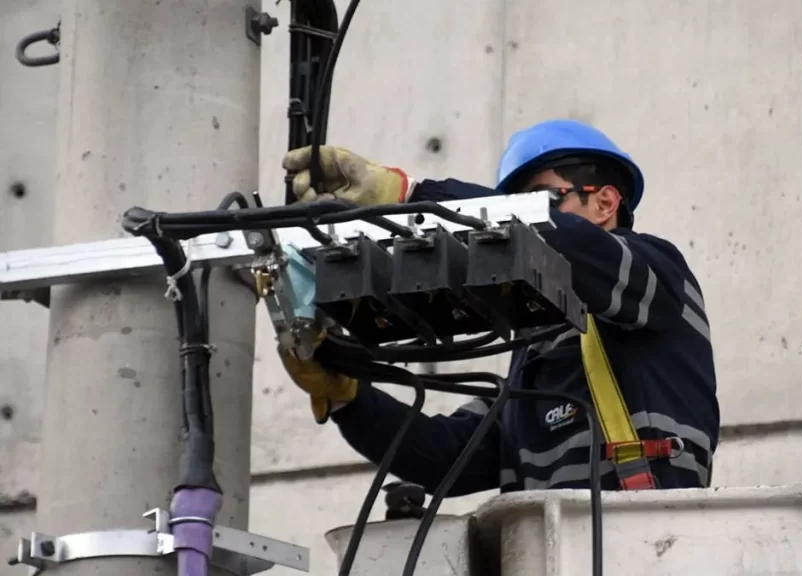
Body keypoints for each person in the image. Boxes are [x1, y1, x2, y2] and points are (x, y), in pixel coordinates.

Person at [277, 119, 719, 494]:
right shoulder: (537, 353)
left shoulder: (657, 274)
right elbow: (446, 456)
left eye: (543, 201)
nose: (519, 219)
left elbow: (576, 246)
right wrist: (348, 400)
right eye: (516, 206)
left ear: (605, 202)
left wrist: (414, 195)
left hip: (652, 547)